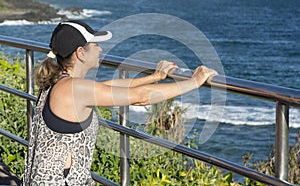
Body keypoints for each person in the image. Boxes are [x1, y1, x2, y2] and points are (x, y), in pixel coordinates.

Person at [22, 20, 217, 185]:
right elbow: (141, 97)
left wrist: (155, 76)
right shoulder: (74, 88)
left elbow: (109, 86)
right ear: (81, 53)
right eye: (96, 45)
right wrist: (195, 82)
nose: (101, 49)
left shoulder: (59, 82)